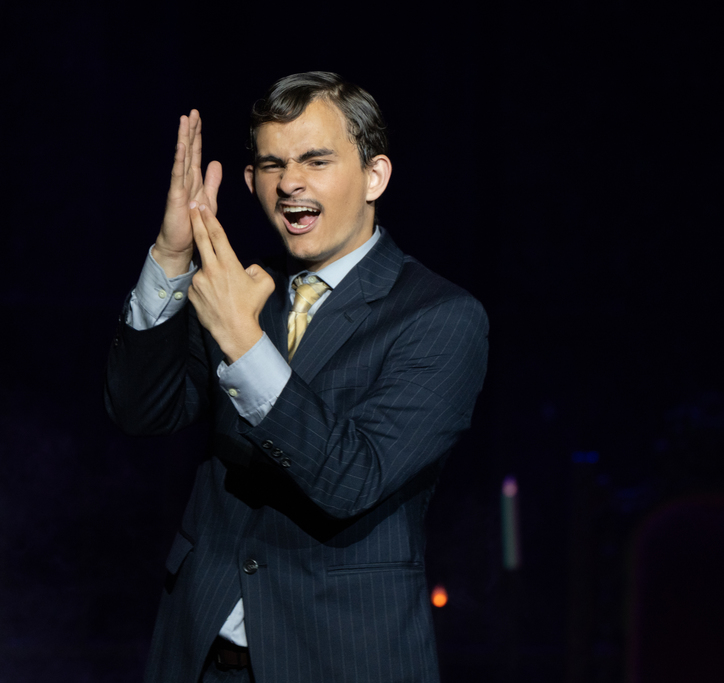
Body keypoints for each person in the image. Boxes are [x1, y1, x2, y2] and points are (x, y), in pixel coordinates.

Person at [105, 72, 489, 683]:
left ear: (374, 176)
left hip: (338, 660)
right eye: (272, 165)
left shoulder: (440, 316)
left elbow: (353, 479)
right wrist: (172, 254)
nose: (289, 183)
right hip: (200, 657)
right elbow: (141, 411)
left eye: (315, 160)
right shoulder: (246, 290)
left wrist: (243, 340)